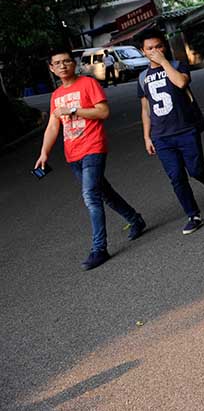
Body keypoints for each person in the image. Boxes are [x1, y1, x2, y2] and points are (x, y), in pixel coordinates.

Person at [35, 50, 147, 270]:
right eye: (57, 63)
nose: (63, 66)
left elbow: (103, 112)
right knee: (104, 193)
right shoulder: (56, 95)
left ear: (74, 63)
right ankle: (135, 219)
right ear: (51, 68)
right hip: (72, 153)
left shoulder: (88, 84)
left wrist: (73, 109)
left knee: (91, 196)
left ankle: (99, 249)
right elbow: (53, 126)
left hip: (93, 147)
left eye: (67, 61)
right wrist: (44, 153)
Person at [136, 28, 204, 234]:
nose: (155, 51)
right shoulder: (142, 77)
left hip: (186, 129)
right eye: (150, 48)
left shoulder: (178, 66)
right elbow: (145, 109)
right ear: (143, 51)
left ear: (165, 47)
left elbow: (180, 83)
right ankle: (193, 215)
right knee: (176, 177)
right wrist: (146, 136)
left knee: (196, 170)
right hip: (161, 136)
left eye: (159, 46)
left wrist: (163, 62)